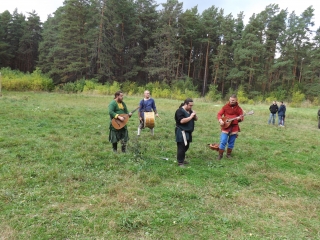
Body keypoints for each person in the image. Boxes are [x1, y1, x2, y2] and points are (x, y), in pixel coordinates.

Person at [217, 94, 244, 160]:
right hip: (225, 126)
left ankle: (228, 155)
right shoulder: (225, 107)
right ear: (229, 99)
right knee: (223, 141)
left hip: (234, 127)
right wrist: (220, 120)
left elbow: (241, 117)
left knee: (231, 142)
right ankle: (220, 155)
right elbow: (219, 114)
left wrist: (239, 119)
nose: (232, 101)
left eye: (233, 100)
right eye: (231, 100)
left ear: (236, 100)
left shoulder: (239, 108)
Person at [175, 98, 198, 167]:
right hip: (181, 131)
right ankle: (180, 162)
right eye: (190, 105)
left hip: (188, 132)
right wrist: (191, 117)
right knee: (181, 147)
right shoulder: (179, 111)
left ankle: (181, 158)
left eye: (192, 105)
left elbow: (196, 119)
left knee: (186, 146)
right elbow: (182, 121)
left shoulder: (190, 111)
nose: (191, 107)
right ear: (185, 104)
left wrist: (194, 115)